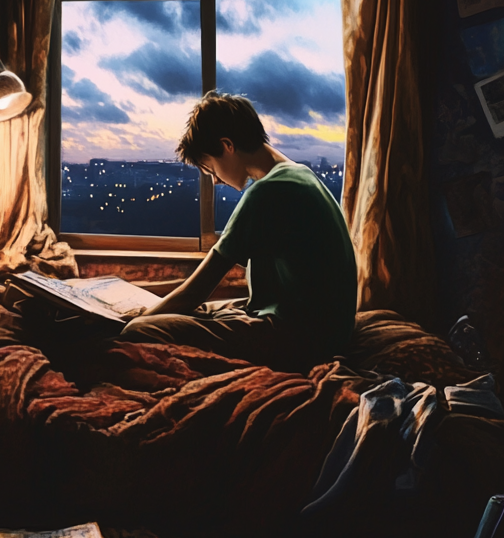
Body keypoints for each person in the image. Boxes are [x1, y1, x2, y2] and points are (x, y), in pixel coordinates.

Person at [119, 92, 358, 373]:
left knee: (139, 330)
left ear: (227, 146)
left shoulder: (266, 191)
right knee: (187, 314)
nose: (216, 181)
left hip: (300, 339)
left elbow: (196, 291)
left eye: (210, 169)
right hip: (325, 329)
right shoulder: (300, 175)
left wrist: (137, 320)